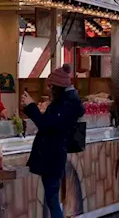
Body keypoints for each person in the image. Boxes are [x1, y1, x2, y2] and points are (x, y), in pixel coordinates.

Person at [22, 64, 84, 218]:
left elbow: (46, 125)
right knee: (52, 198)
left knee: (52, 199)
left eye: (51, 87)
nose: (49, 90)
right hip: (54, 155)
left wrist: (31, 106)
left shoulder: (66, 105)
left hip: (52, 156)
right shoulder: (67, 103)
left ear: (58, 87)